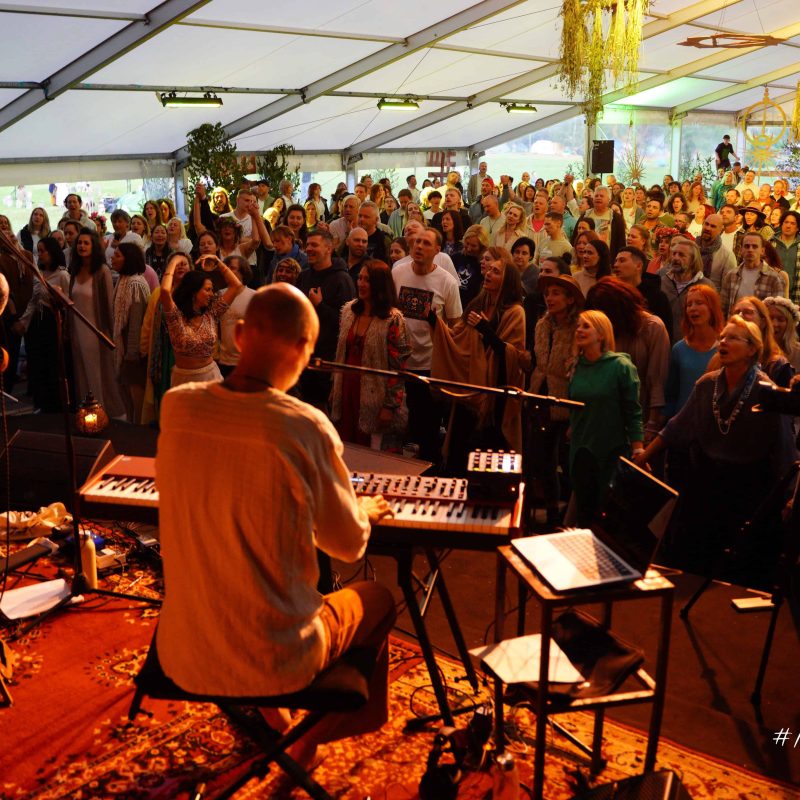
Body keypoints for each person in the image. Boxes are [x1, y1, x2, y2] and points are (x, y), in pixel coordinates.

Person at [155, 282, 397, 771]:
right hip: (278, 657)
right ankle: (305, 743)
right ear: (306, 349)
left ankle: (279, 724)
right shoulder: (303, 425)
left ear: (239, 335)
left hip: (181, 650)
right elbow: (347, 545)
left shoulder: (176, 406)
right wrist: (364, 511)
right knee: (378, 599)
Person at [634, 315, 796, 586]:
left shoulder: (766, 391)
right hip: (707, 481)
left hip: (748, 487)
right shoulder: (707, 384)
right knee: (696, 559)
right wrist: (645, 456)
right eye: (722, 337)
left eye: (733, 338)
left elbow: (784, 448)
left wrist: (790, 496)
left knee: (739, 567)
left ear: (752, 348)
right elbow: (676, 427)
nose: (723, 342)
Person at [432, 246, 526, 464]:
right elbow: (457, 337)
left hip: (495, 393)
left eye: (495, 271)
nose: (488, 273)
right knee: (459, 450)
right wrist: (433, 321)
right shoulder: (477, 304)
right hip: (469, 387)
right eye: (488, 270)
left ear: (507, 280)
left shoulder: (515, 312)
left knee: (485, 455)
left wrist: (486, 331)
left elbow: (514, 356)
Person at [567, 310, 643, 525]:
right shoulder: (575, 366)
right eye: (578, 326)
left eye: (586, 326)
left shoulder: (620, 367)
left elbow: (633, 411)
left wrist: (638, 448)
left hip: (611, 450)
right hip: (581, 450)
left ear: (601, 334)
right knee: (584, 515)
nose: (579, 330)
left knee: (606, 519)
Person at [392, 227, 462, 463]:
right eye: (417, 242)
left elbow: (456, 327)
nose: (419, 246)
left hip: (430, 364)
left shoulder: (447, 282)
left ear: (437, 251)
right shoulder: (398, 273)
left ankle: (429, 467)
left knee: (427, 427)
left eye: (426, 243)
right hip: (399, 361)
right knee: (403, 426)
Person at [330, 260, 410, 446]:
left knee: (368, 448)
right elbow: (340, 354)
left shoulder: (393, 319)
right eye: (360, 278)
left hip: (374, 395)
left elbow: (398, 368)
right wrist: (335, 388)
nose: (361, 283)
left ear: (380, 285)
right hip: (347, 388)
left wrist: (390, 406)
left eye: (367, 280)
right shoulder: (349, 311)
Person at [585, 278, 670, 444]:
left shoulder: (653, 327)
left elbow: (657, 381)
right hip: (607, 417)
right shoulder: (610, 329)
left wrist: (652, 424)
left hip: (640, 416)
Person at [528, 274, 584, 525]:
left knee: (567, 462)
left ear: (570, 299)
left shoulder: (578, 328)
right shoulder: (542, 325)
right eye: (547, 293)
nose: (549, 298)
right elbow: (539, 362)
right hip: (540, 396)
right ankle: (550, 513)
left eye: (556, 293)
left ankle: (569, 518)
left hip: (566, 401)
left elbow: (579, 369)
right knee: (541, 459)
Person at [159, 254, 242, 387]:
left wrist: (218, 262)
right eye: (207, 290)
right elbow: (164, 290)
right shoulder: (176, 317)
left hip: (211, 378)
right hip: (183, 381)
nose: (212, 294)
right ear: (194, 292)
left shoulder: (212, 313)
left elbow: (236, 286)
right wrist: (175, 260)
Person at [69, 229, 126, 418]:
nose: (82, 246)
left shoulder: (102, 271)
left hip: (96, 331)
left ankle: (101, 414)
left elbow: (108, 305)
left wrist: (109, 334)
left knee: (97, 374)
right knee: (81, 373)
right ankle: (87, 413)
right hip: (77, 330)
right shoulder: (74, 271)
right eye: (79, 243)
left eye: (86, 243)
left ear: (94, 246)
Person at [297, 230, 356, 409]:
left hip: (328, 361)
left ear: (329, 249)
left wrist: (319, 306)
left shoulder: (342, 279)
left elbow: (347, 323)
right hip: (304, 356)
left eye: (314, 245)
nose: (309, 249)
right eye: (308, 245)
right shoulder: (304, 276)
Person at [18, 237, 70, 412]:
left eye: (43, 251)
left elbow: (68, 304)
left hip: (53, 321)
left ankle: (54, 404)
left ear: (52, 252)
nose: (39, 254)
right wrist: (24, 322)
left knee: (52, 363)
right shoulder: (39, 273)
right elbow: (33, 300)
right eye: (38, 251)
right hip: (38, 323)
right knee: (37, 362)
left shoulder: (62, 275)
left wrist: (66, 330)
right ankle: (41, 403)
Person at [663, 284, 723, 419]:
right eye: (689, 305)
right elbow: (671, 395)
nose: (693, 308)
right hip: (682, 421)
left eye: (699, 303)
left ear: (712, 307)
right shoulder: (679, 349)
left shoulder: (725, 348)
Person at [110, 242, 151, 422]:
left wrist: (132, 354)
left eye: (117, 255)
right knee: (126, 396)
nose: (112, 258)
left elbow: (136, 322)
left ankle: (137, 431)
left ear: (129, 259)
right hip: (124, 345)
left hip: (133, 351)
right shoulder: (123, 280)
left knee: (136, 397)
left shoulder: (135, 284)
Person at [731, 295, 793, 387]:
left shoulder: (778, 365)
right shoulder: (722, 357)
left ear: (763, 322)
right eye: (736, 312)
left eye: (748, 312)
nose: (740, 316)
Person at [764, 295, 800, 373]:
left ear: (789, 324)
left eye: (780, 320)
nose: (774, 324)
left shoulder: (798, 352)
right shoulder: (755, 350)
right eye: (770, 318)